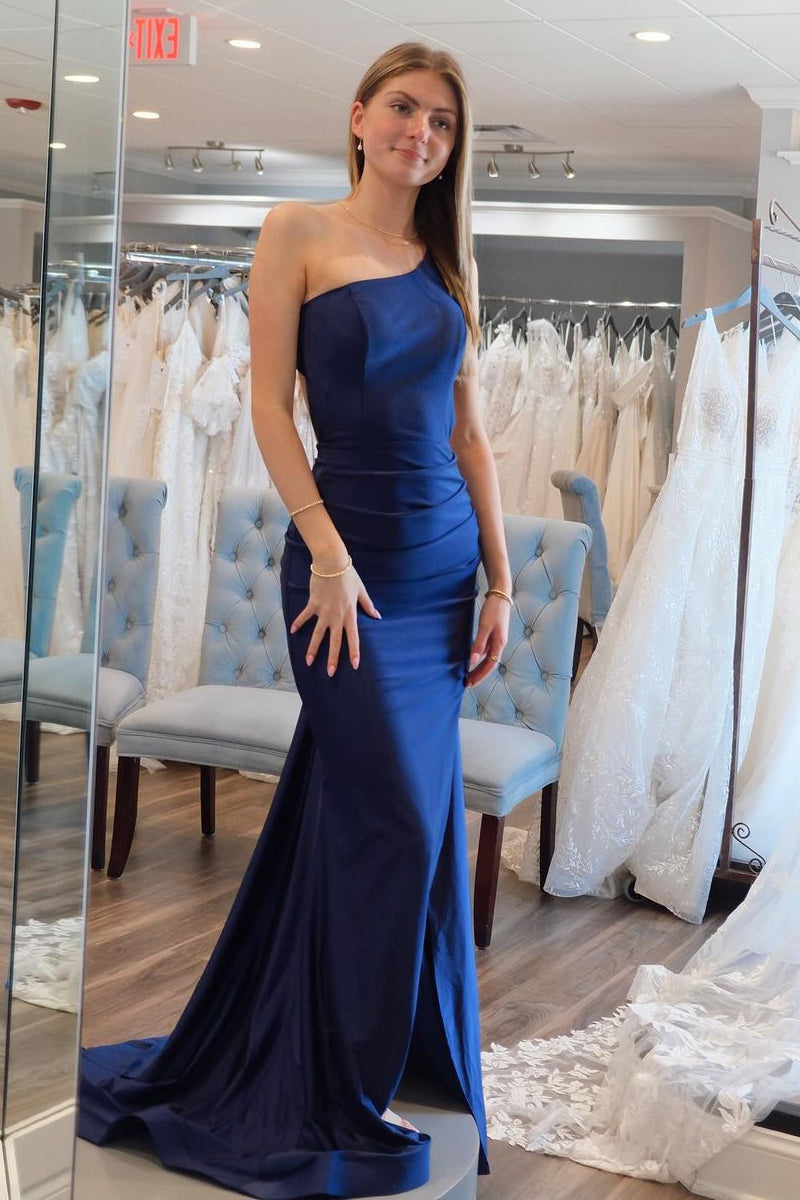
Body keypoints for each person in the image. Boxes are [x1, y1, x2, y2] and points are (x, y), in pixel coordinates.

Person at [78, 41, 512, 1199]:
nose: (422, 132)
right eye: (404, 109)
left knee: (380, 821)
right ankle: (341, 1081)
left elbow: (471, 436)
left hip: (440, 573)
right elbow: (268, 408)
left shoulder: (451, 262)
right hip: (340, 570)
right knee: (398, 826)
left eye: (442, 122)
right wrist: (323, 548)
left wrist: (502, 582)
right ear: (359, 117)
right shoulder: (296, 232)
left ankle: (361, 1050)